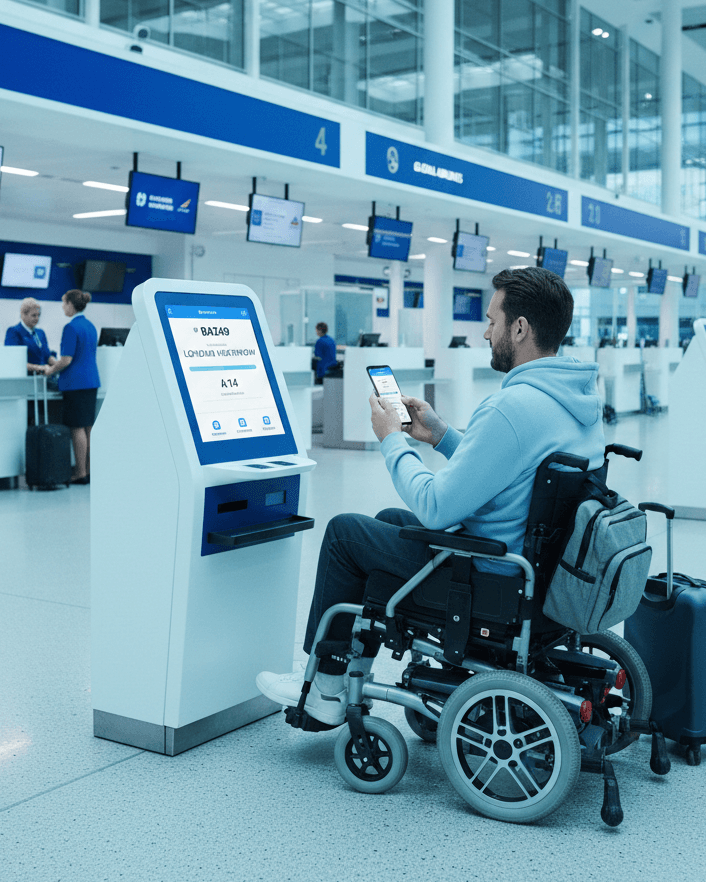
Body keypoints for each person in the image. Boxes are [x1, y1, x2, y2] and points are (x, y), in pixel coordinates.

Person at [257, 267, 605, 724]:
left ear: (519, 328)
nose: (485, 332)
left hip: (491, 577)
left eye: (492, 321)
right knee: (389, 520)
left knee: (346, 535)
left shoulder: (512, 407)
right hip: (539, 572)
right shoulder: (574, 400)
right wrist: (441, 436)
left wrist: (391, 439)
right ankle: (346, 668)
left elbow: (436, 508)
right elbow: (514, 471)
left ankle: (324, 687)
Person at [43, 289, 100, 485]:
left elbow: (66, 360)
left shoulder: (71, 328)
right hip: (91, 382)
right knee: (88, 427)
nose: (62, 306)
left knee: (76, 428)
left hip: (75, 383)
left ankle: (80, 473)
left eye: (63, 302)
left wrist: (50, 371)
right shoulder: (91, 326)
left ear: (71, 305)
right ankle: (90, 471)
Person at [4, 298, 56, 374]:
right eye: (34, 315)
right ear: (23, 315)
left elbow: (47, 355)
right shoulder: (14, 332)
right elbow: (13, 361)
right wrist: (39, 368)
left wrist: (58, 364)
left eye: (39, 315)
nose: (37, 318)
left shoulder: (40, 333)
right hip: (27, 379)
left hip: (44, 377)